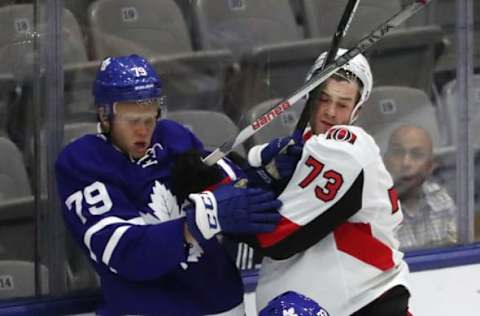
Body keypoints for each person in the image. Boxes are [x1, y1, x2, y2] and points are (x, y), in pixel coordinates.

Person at [55, 54, 282, 316]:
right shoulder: (82, 162)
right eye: (132, 120)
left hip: (224, 304)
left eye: (149, 117)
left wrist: (267, 173)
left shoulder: (174, 137)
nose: (143, 130)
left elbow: (241, 197)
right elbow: (126, 253)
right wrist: (201, 219)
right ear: (104, 115)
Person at [248, 49, 412, 315]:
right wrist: (267, 174)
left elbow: (273, 239)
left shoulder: (348, 149)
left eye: (343, 104)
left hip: (367, 305)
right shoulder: (305, 150)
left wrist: (218, 206)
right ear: (310, 96)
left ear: (358, 109)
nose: (331, 112)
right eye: (323, 99)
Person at [384, 124, 457, 250]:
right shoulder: (372, 209)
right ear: (385, 160)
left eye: (417, 155)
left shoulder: (441, 199)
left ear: (430, 166)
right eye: (398, 152)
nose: (406, 163)